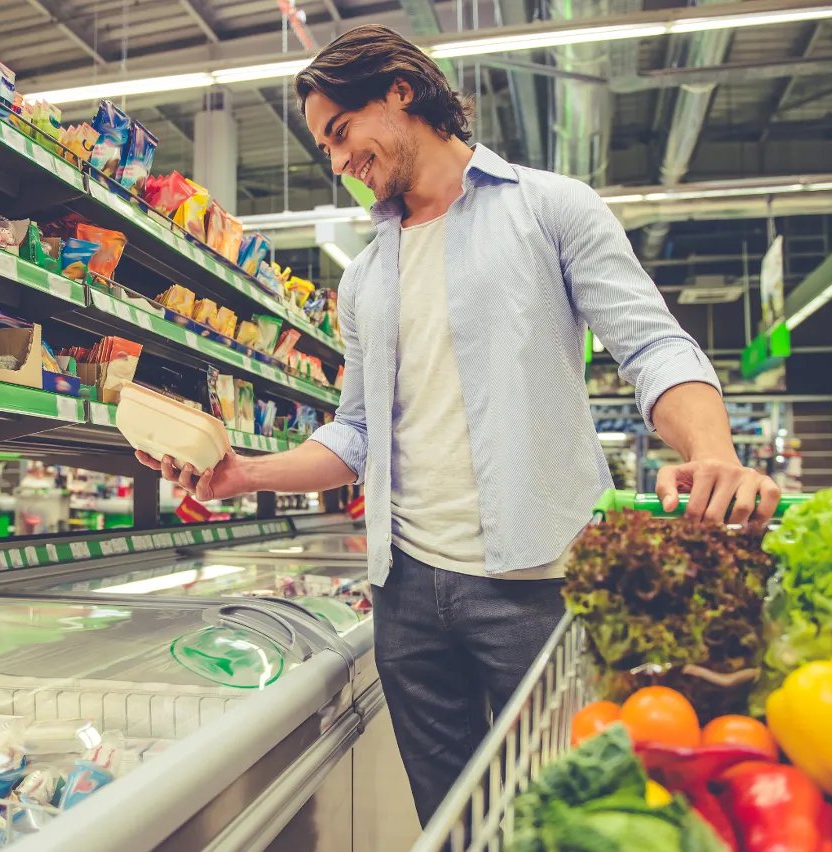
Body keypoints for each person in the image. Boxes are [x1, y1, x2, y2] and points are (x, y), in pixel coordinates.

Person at [136, 24, 781, 826]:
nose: (336, 162)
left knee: (561, 816)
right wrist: (244, 474)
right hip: (404, 596)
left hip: (536, 587)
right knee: (449, 820)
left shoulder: (550, 210)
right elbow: (357, 433)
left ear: (400, 92)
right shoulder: (366, 275)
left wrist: (712, 450)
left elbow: (651, 344)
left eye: (341, 133)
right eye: (325, 148)